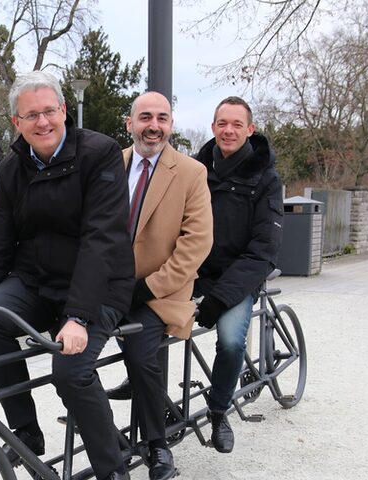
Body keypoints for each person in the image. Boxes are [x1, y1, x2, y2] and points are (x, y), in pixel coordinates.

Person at [0, 70, 136, 480]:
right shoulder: (10, 170)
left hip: (99, 285)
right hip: (36, 281)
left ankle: (113, 470)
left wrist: (79, 316)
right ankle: (27, 435)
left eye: (49, 111)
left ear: (64, 111)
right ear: (16, 123)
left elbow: (100, 239)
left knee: (70, 373)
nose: (43, 122)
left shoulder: (100, 154)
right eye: (31, 115)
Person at [109, 91, 213, 480]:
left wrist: (149, 287)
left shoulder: (190, 172)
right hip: (110, 289)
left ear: (171, 124)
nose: (154, 125)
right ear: (130, 123)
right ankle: (102, 432)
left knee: (139, 353)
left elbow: (197, 243)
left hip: (160, 293)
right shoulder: (110, 165)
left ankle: (157, 444)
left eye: (163, 118)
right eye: (145, 117)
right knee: (68, 348)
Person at [192, 96, 283, 453]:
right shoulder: (196, 170)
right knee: (139, 313)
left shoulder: (266, 178)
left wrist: (220, 298)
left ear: (250, 129)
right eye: (221, 124)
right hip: (196, 273)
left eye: (236, 124)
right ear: (213, 127)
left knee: (230, 341)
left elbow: (263, 250)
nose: (228, 131)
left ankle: (218, 411)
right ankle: (139, 388)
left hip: (238, 278)